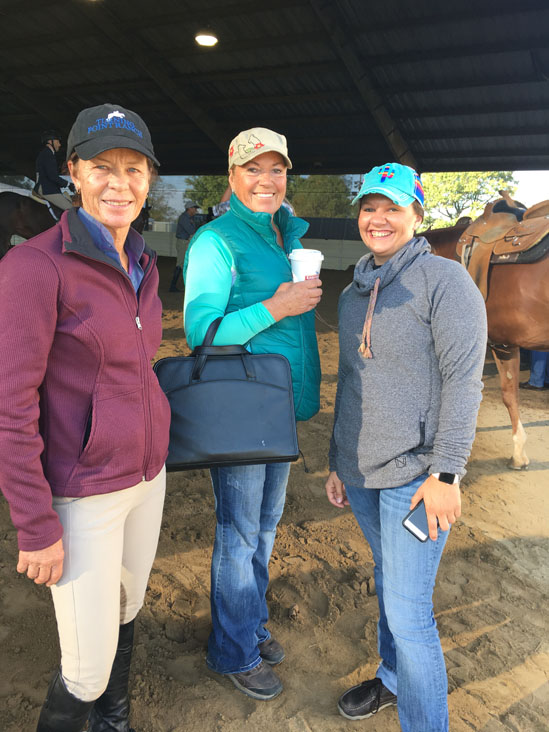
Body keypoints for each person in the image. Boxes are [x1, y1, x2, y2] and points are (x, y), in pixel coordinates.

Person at [0, 103, 171, 732]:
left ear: (149, 180)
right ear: (73, 172)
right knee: (85, 672)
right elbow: (9, 404)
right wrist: (34, 522)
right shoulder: (34, 267)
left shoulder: (144, 263)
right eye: (102, 167)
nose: (118, 184)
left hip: (147, 478)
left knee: (127, 610)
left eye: (133, 169)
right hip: (84, 493)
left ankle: (113, 722)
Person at [325, 163, 487, 731]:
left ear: (417, 216)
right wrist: (337, 461)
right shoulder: (353, 292)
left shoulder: (445, 282)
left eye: (393, 208)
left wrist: (447, 474)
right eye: (370, 207)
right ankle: (392, 678)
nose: (379, 218)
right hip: (362, 473)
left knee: (410, 614)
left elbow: (465, 381)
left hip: (418, 478)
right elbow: (350, 381)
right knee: (388, 578)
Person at [183, 127, 322, 701]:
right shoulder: (216, 241)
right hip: (242, 404)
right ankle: (233, 650)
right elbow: (201, 333)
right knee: (239, 533)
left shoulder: (284, 236)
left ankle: (249, 622)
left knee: (264, 528)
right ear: (232, 176)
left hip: (277, 403)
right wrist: (276, 306)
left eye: (276, 169)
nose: (267, 180)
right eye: (253, 169)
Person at [35, 130, 75, 211]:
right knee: (71, 210)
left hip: (48, 187)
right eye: (57, 142)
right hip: (47, 189)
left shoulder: (46, 153)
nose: (59, 145)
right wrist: (68, 184)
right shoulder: (48, 155)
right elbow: (52, 176)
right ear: (50, 142)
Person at [169, 199, 199, 291]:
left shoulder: (188, 218)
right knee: (180, 263)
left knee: (183, 263)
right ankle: (173, 286)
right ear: (189, 208)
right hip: (183, 242)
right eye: (194, 208)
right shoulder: (185, 218)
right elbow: (191, 231)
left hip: (184, 241)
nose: (196, 210)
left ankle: (175, 285)